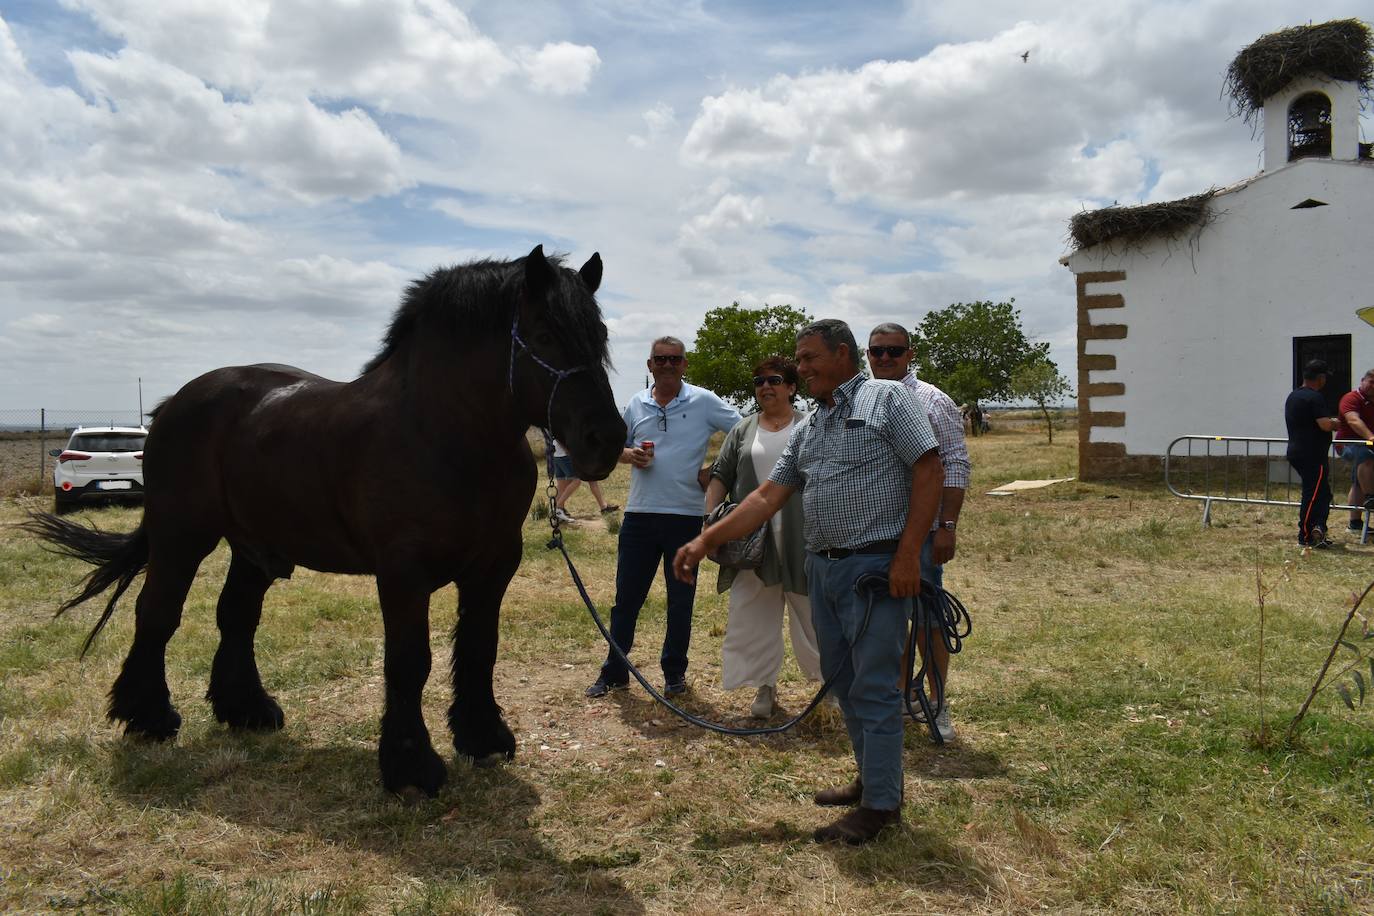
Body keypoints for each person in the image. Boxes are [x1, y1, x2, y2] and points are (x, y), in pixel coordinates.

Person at [673, 319, 943, 845]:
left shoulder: (886, 399)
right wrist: (706, 539)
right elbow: (766, 496)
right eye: (799, 359)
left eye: (809, 358)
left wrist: (910, 554)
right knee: (843, 681)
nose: (801, 368)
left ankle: (882, 806)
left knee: (874, 685)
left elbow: (929, 468)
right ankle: (872, 781)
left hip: (876, 569)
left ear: (843, 354)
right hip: (823, 568)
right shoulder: (813, 424)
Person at [585, 337, 741, 698]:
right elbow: (614, 444)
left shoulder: (703, 401)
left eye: (675, 359)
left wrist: (716, 470)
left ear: (685, 364)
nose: (668, 364)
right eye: (661, 359)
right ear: (649, 364)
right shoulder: (636, 404)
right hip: (639, 516)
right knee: (626, 599)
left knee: (680, 601)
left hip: (685, 518)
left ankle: (674, 674)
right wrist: (628, 455)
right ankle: (615, 672)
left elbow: (745, 433)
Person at [867, 323, 970, 741]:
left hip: (923, 534)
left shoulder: (932, 400)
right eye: (877, 352)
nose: (885, 359)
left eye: (894, 351)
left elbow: (955, 463)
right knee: (886, 622)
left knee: (929, 620)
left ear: (910, 354)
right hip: (875, 532)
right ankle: (899, 696)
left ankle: (938, 703)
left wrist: (946, 526)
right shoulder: (865, 399)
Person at [706, 356, 821, 719]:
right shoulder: (742, 430)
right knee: (753, 616)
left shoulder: (813, 425)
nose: (765, 387)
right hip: (752, 543)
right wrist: (709, 522)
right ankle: (764, 688)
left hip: (804, 539)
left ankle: (831, 687)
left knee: (815, 617)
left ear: (791, 387)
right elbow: (720, 476)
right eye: (759, 382)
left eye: (774, 380)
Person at [1284, 359, 1341, 548]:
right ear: (1321, 378)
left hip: (1298, 451)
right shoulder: (1314, 397)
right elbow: (1324, 424)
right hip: (1312, 455)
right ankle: (1305, 536)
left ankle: (1319, 530)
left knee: (1323, 493)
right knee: (1313, 495)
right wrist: (1336, 423)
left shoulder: (1294, 396)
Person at [1335, 370, 1374, 532]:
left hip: (1368, 444)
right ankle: (1371, 497)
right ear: (1362, 380)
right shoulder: (1351, 398)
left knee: (1358, 481)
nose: (1373, 386)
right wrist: (1371, 437)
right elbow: (1353, 420)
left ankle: (1355, 523)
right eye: (1371, 381)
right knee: (1366, 458)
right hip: (1348, 444)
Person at [551, 438, 618, 524]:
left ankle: (557, 513)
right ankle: (558, 508)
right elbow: (560, 436)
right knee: (577, 480)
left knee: (562, 484)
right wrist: (568, 451)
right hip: (564, 455)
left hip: (557, 454)